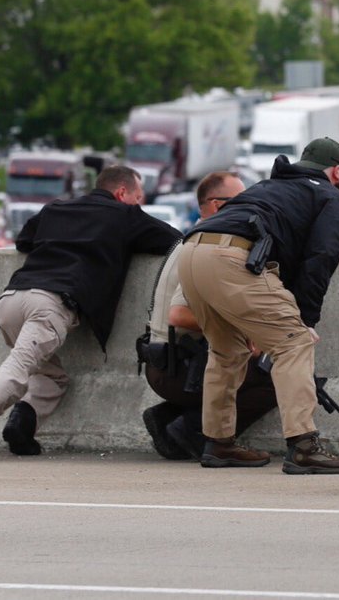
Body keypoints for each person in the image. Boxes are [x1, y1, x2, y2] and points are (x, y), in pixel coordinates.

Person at [0, 165, 181, 461]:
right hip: (50, 305)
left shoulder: (55, 208)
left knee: (51, 377)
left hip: (12, 299)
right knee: (16, 372)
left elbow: (23, 240)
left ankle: (22, 430)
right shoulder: (125, 215)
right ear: (122, 193)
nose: (139, 204)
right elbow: (175, 242)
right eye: (138, 197)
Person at [176, 138, 339, 473]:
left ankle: (218, 443)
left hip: (192, 252)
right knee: (294, 342)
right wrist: (305, 319)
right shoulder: (330, 196)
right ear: (335, 171)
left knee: (227, 349)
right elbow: (321, 258)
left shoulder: (269, 187)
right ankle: (303, 446)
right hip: (232, 258)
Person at [138, 170, 281, 461]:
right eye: (241, 201)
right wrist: (242, 333)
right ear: (217, 205)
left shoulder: (193, 239)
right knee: (277, 377)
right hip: (180, 368)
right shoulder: (209, 245)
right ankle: (195, 431)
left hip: (169, 363)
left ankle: (169, 417)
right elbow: (180, 316)